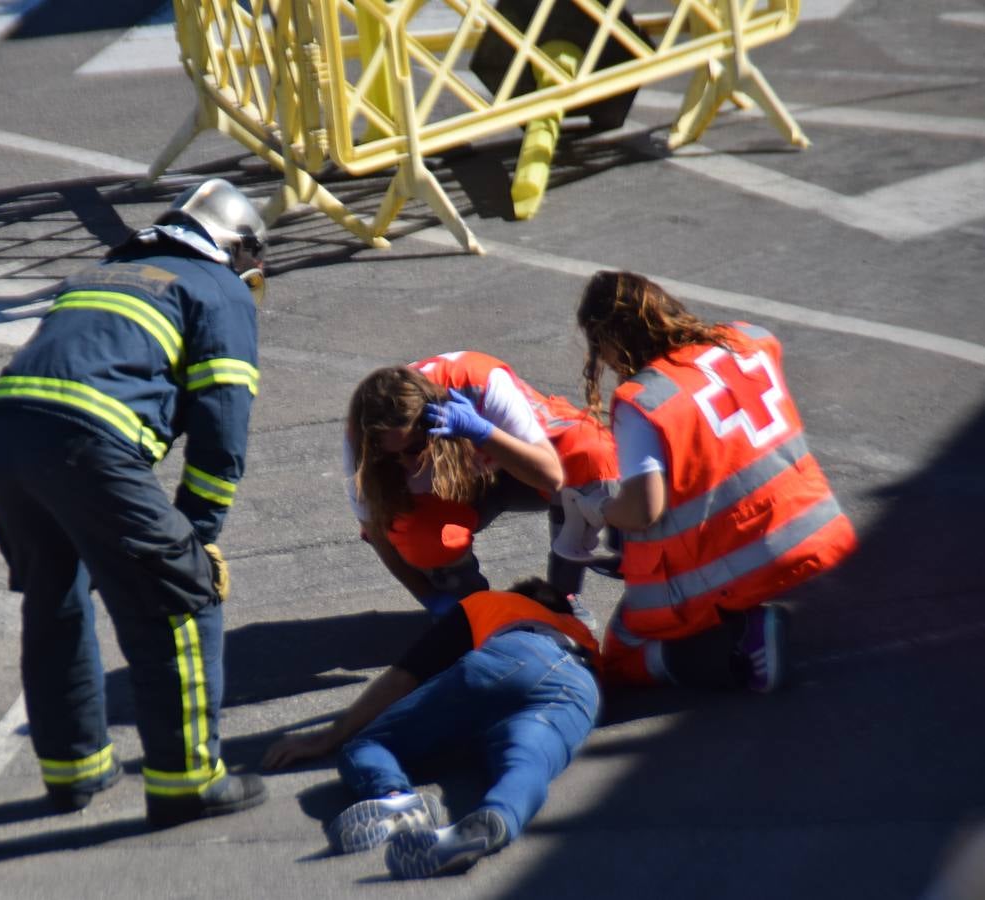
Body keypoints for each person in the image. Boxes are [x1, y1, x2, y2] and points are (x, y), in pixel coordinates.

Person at [0, 179, 269, 826]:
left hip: (2, 434)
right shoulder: (218, 291)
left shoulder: (106, 272)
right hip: (86, 441)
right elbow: (221, 431)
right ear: (237, 248)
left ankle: (74, 770)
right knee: (184, 600)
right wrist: (197, 538)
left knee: (54, 596)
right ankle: (187, 781)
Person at [573, 270, 858, 692]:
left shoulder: (643, 400)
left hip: (739, 555)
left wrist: (599, 508)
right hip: (811, 527)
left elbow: (643, 509)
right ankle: (739, 614)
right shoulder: (748, 339)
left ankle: (740, 640)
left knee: (623, 656)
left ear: (613, 336)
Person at [262, 576, 600, 879]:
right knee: (528, 762)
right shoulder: (584, 637)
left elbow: (405, 676)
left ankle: (394, 796)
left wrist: (330, 736)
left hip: (515, 656)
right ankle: (496, 818)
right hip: (581, 687)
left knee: (369, 745)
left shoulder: (491, 602)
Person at [345, 351, 619, 619]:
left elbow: (551, 476)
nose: (406, 462)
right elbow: (379, 536)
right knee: (414, 533)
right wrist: (429, 597)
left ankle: (562, 597)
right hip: (451, 492)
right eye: (391, 456)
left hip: (520, 470)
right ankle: (474, 610)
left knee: (592, 457)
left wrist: (481, 432)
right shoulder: (362, 442)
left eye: (414, 447)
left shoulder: (481, 386)